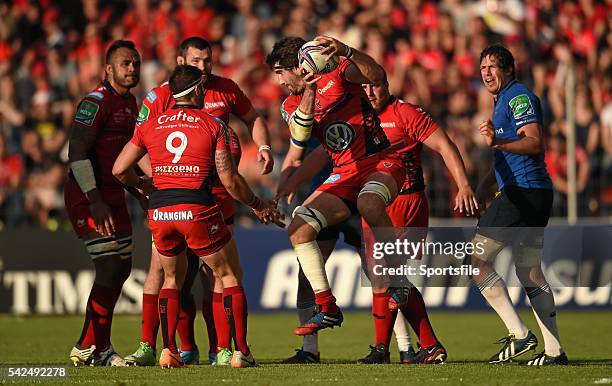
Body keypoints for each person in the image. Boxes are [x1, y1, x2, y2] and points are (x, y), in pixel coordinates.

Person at [279, 76, 478, 363]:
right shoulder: (359, 117)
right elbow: (324, 153)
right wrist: (294, 180)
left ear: (387, 86)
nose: (371, 92)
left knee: (392, 276)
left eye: (376, 86)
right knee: (381, 277)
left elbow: (445, 146)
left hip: (407, 202)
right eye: (367, 87)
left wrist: (463, 185)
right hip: (372, 202)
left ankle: (416, 346)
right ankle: (392, 349)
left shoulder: (405, 113)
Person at [113, 65, 281, 368]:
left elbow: (119, 169)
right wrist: (258, 204)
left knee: (171, 279)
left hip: (161, 211)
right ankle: (240, 351)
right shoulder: (213, 124)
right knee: (227, 275)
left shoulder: (151, 124)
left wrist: (142, 186)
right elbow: (229, 180)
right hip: (196, 209)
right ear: (196, 91)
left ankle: (168, 351)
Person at [267, 35, 410, 337]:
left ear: (298, 65)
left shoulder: (339, 70)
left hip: (381, 161)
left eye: (281, 72)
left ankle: (399, 278)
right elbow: (301, 137)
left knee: (369, 205)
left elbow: (378, 76)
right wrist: (308, 90)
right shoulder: (290, 103)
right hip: (345, 173)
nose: (279, 81)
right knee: (299, 228)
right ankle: (327, 306)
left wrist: (347, 50)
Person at [469, 44, 567, 366]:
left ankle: (520, 334)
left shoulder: (518, 97)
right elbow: (506, 155)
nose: (486, 72)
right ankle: (555, 352)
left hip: (522, 193)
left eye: (493, 66)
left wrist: (497, 141)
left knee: (476, 260)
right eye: (482, 67)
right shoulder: (502, 102)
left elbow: (535, 141)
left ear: (509, 70)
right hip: (532, 193)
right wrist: (483, 187)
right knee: (529, 270)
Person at [65, 40, 144, 366]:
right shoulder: (95, 102)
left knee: (122, 266)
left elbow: (129, 156)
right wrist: (95, 199)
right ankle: (95, 346)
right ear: (108, 68)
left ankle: (94, 346)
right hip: (88, 196)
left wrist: (142, 191)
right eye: (125, 63)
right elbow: (77, 152)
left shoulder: (131, 103)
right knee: (110, 265)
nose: (132, 69)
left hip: (115, 195)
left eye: (135, 63)